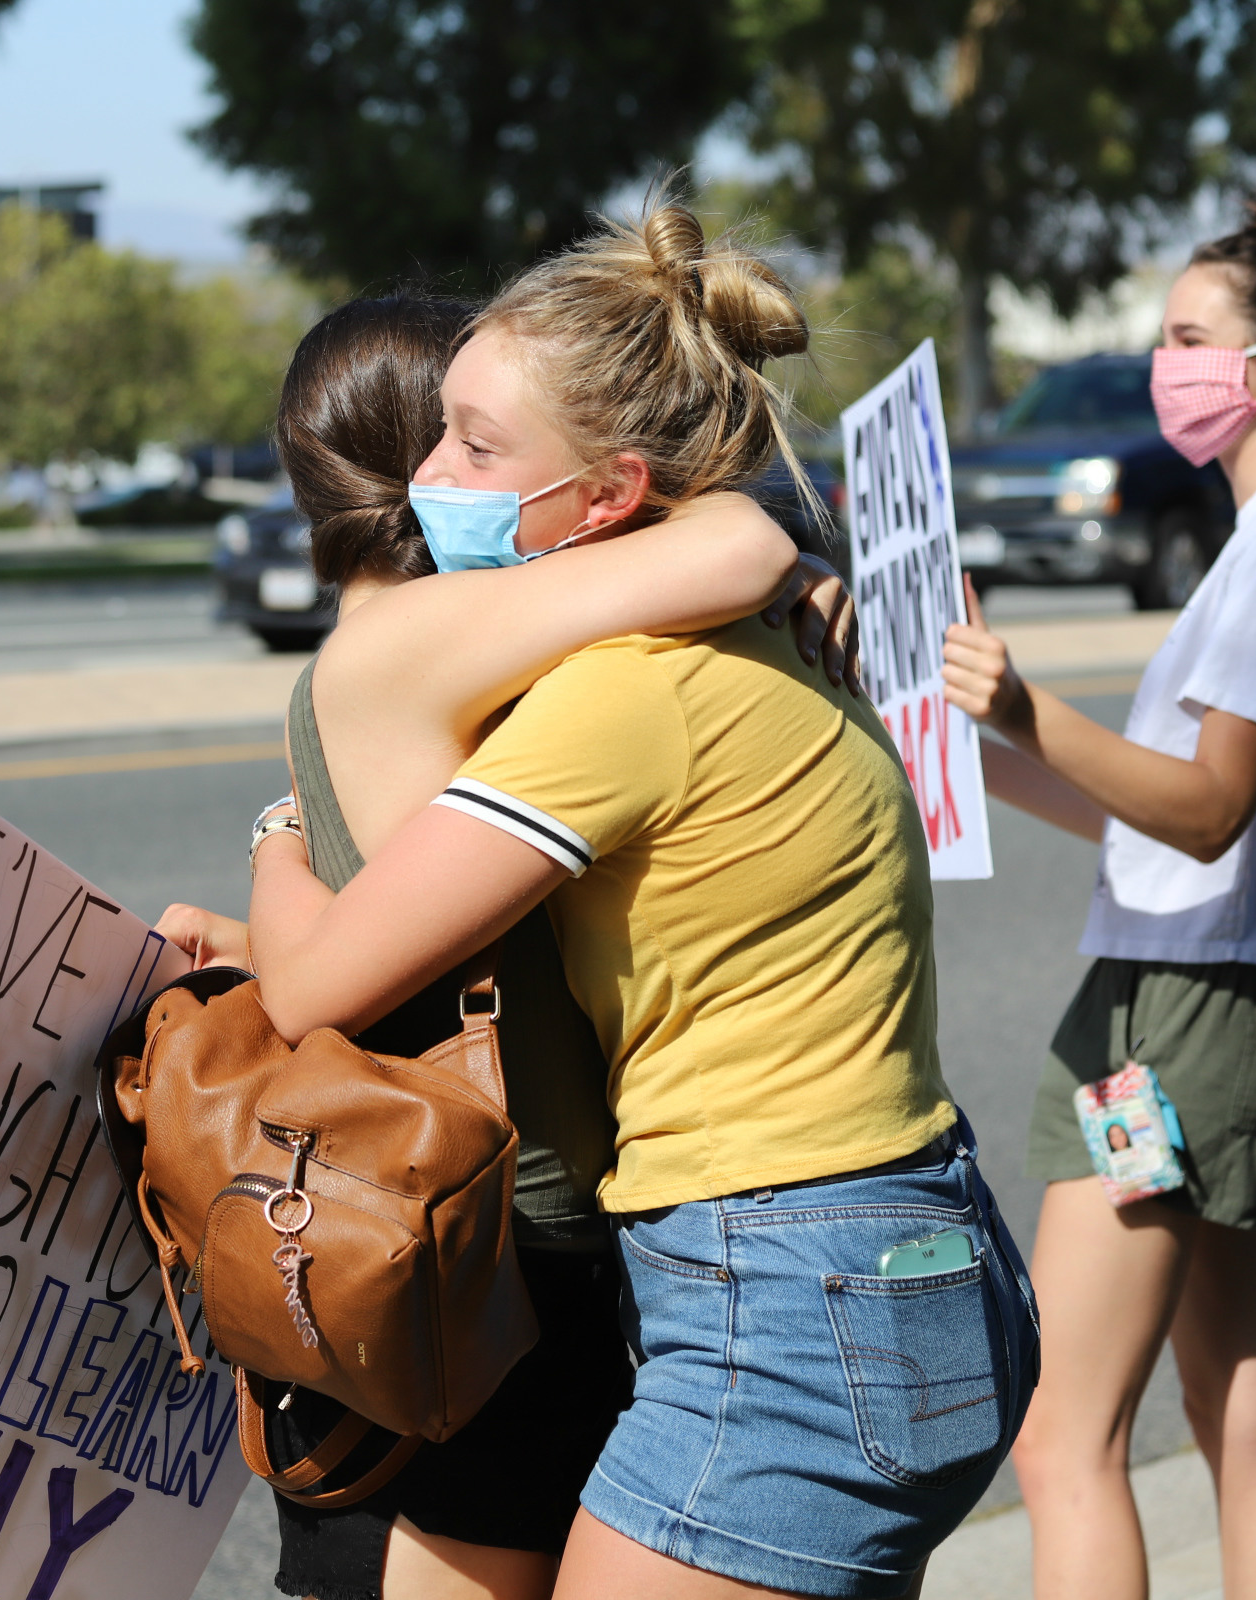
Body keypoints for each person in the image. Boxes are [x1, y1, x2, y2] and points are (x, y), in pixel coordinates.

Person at [227, 202, 1038, 1600]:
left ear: (609, 494)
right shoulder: (757, 639)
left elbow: (312, 986)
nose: (433, 477)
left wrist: (279, 836)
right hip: (900, 1244)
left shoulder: (619, 695)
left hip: (791, 1299)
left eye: (478, 447)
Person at [162, 291, 861, 1600]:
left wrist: (279, 836)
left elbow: (371, 956)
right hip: (512, 1248)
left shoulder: (401, 650)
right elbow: (740, 540)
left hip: (443, 1242)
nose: (457, 461)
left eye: (477, 439)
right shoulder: (495, 644)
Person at [940, 158, 1256, 1600]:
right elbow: (1163, 815)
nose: (1165, 365)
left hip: (1184, 1018)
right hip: (1231, 1001)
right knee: (1244, 1405)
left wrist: (1028, 714)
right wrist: (972, 751)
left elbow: (1208, 813)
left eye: (1190, 338)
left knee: (1063, 1441)